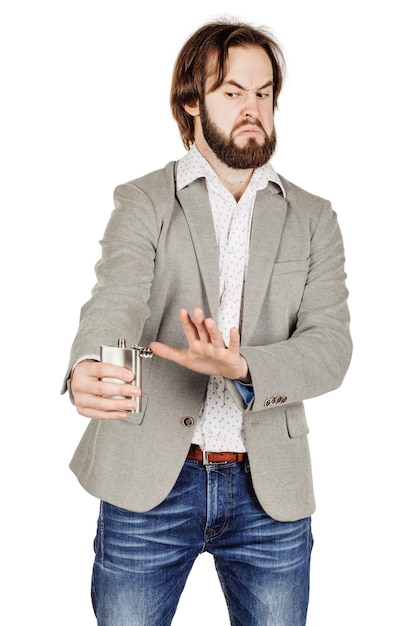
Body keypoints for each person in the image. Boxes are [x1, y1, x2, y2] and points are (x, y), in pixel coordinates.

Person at [62, 18, 352, 626]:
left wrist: (243, 367)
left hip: (268, 492)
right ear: (191, 101)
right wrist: (91, 362)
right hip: (150, 484)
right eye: (232, 92)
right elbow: (117, 297)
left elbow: (330, 349)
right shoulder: (144, 200)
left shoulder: (314, 217)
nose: (253, 109)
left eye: (264, 93)